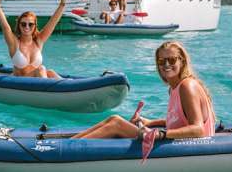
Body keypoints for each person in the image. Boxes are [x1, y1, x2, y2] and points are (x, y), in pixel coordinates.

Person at [71, 40, 215, 140]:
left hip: (195, 148)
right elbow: (180, 120)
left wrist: (159, 134)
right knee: (114, 118)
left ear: (181, 61)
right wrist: (151, 123)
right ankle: (66, 144)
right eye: (161, 61)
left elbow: (197, 130)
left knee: (117, 124)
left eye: (172, 60)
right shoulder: (175, 88)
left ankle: (66, 150)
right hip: (179, 143)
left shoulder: (186, 86)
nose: (166, 65)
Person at [0, 0, 68, 78]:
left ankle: (70, 87)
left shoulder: (39, 41)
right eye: (23, 24)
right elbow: (5, 25)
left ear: (34, 26)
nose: (27, 27)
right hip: (20, 82)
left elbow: (53, 21)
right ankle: (49, 89)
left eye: (30, 24)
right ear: (19, 26)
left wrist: (63, 3)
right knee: (41, 69)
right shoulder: (14, 43)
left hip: (36, 82)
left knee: (50, 72)